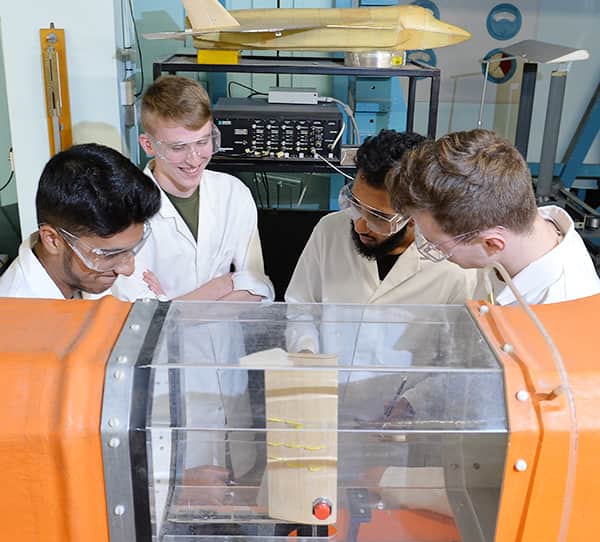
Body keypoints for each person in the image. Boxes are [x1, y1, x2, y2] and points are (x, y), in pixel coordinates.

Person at [284, 129, 476, 353]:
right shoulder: (330, 230)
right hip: (327, 384)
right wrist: (305, 356)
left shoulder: (453, 268)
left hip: (407, 388)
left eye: (378, 217)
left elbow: (455, 354)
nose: (359, 225)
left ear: (416, 216)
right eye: (355, 205)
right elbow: (301, 310)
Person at [387, 128, 600, 305]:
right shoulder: (521, 236)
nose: (434, 252)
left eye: (438, 247)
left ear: (491, 244)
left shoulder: (559, 306)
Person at [110, 75, 274, 302]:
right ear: (148, 145)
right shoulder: (123, 209)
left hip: (225, 337)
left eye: (203, 142)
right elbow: (138, 312)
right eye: (178, 147)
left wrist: (173, 306)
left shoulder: (233, 194)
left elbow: (257, 286)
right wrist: (222, 285)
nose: (194, 159)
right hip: (160, 340)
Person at [0, 143, 160, 299]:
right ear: (52, 240)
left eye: (132, 250)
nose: (128, 270)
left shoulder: (82, 271)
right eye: (108, 255)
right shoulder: (18, 317)